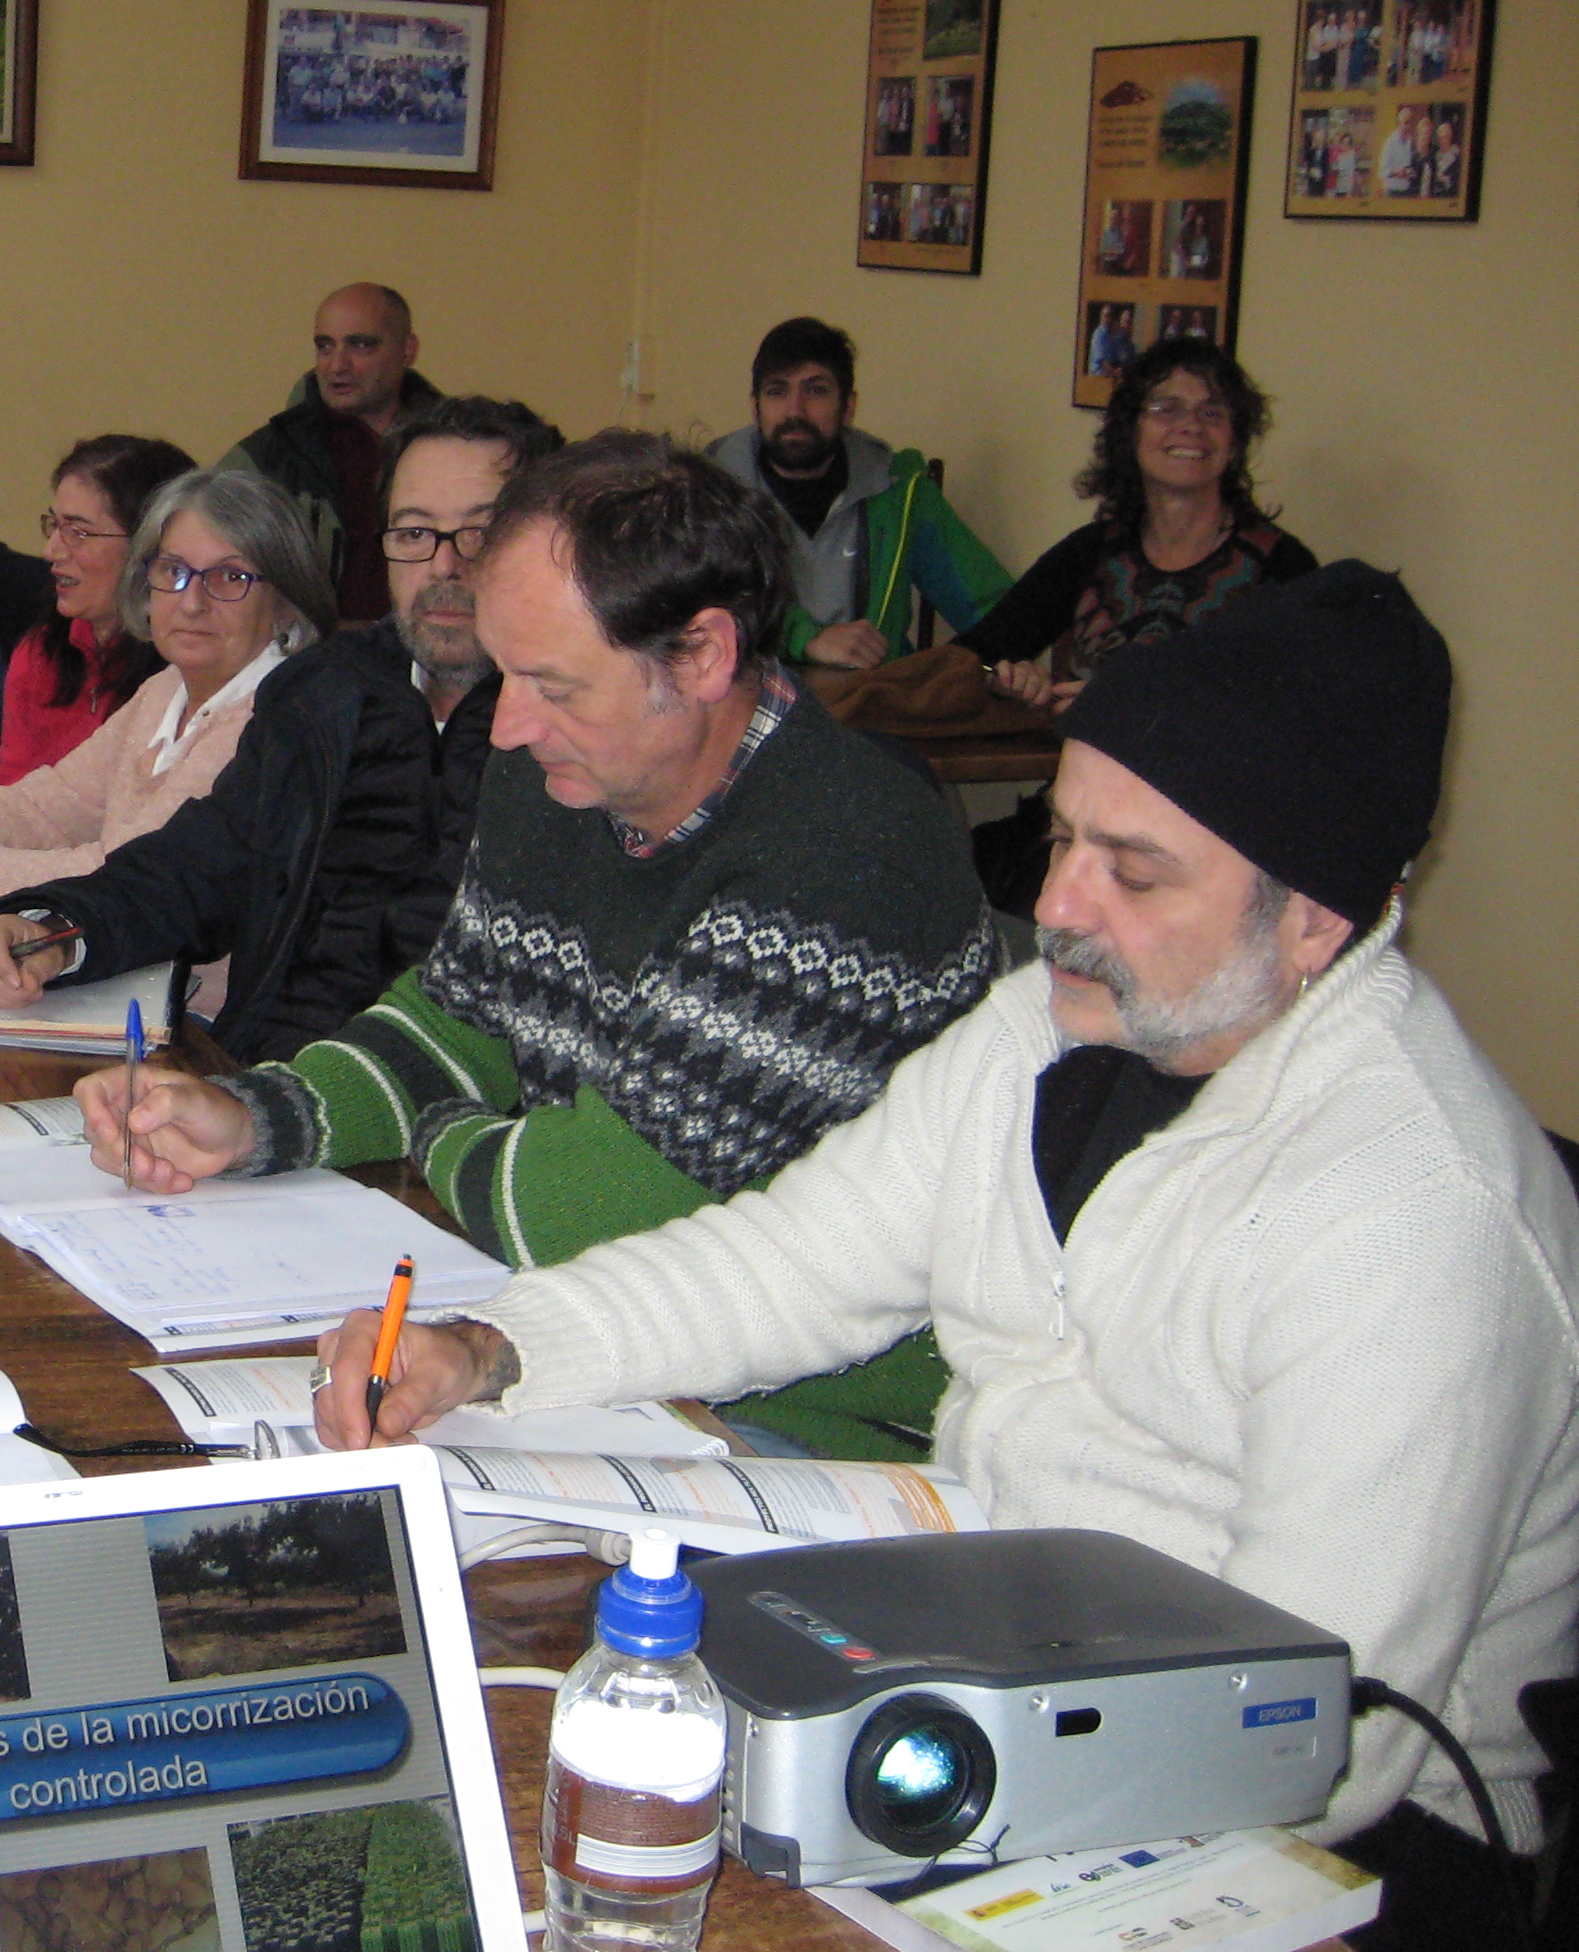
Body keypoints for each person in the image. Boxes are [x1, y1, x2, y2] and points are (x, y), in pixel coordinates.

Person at [315, 566, 1572, 1948]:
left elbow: (1320, 1728)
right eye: (1065, 838)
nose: (1063, 903)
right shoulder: (1046, 1028)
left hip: (1336, 1852)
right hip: (1000, 1642)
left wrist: (888, 1782)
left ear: (1316, 921)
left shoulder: (1414, 1214)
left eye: (1134, 869)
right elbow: (787, 1263)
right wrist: (496, 1347)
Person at [73, 431, 998, 1455]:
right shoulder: (563, 777)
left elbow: (599, 1206)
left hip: (811, 1423)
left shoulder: (850, 852)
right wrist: (258, 1116)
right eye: (508, 674)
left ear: (701, 655)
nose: (507, 726)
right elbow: (456, 1021)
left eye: (553, 686)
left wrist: (435, 1134)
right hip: (595, 1356)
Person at [0, 397, 539, 1063]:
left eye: (481, 534)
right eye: (413, 533)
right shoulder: (326, 692)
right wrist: (58, 928)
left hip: (438, 1111)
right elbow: (199, 863)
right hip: (264, 1073)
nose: (444, 567)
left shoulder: (573, 737)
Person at [0, 469, 331, 1022]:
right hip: (118, 984)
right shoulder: (166, 688)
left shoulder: (274, 719)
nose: (192, 603)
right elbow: (54, 802)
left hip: (198, 1021)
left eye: (230, 577)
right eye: (173, 571)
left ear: (284, 600)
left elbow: (127, 876)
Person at [953, 338, 1317, 716]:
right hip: (1089, 771)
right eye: (1166, 409)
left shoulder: (1281, 565)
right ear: (1130, 433)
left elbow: (1300, 706)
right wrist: (1002, 678)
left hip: (1218, 774)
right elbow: (969, 657)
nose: (1190, 426)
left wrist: (1134, 707)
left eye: (1212, 413)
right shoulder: (1089, 553)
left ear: (1236, 442)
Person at [706, 316, 1008, 672]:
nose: (794, 410)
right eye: (777, 391)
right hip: (749, 699)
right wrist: (808, 638)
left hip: (866, 704)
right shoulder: (712, 489)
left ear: (848, 406)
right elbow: (698, 603)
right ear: (755, 406)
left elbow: (987, 602)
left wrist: (1010, 661)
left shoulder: (898, 491)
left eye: (816, 390)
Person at [220, 281, 442, 621]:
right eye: (325, 347)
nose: (337, 365)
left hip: (431, 651)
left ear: (407, 349)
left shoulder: (455, 447)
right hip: (311, 658)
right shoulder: (269, 456)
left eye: (360, 345)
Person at [0, 434, 194, 783]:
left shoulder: (188, 679)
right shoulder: (42, 653)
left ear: (150, 548)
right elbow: (9, 798)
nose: (51, 551)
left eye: (79, 532)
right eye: (55, 526)